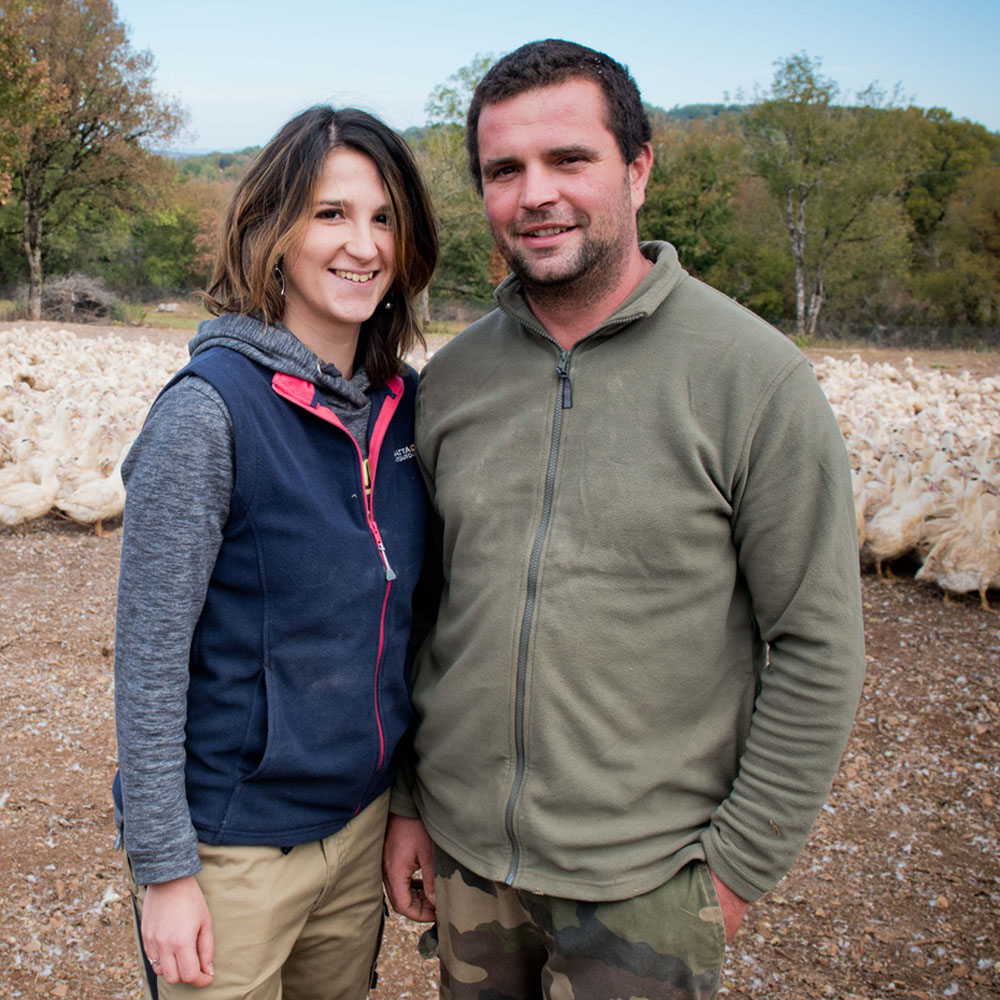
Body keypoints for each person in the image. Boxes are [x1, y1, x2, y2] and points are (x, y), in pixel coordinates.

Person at [383, 39, 865, 1000]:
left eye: (570, 160)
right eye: (504, 170)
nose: (535, 194)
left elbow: (817, 644)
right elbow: (425, 610)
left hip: (648, 887)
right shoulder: (453, 384)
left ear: (638, 170)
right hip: (474, 869)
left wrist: (732, 870)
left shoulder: (753, 379)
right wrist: (409, 801)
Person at [113, 105, 437, 999]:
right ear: (274, 231)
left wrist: (404, 802)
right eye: (330, 214)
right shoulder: (207, 413)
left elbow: (409, 633)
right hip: (234, 851)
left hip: (359, 827)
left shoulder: (405, 409)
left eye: (382, 218)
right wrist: (166, 871)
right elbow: (147, 665)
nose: (361, 245)